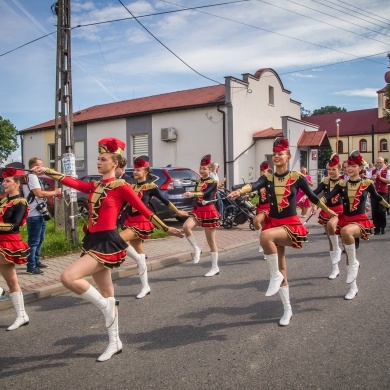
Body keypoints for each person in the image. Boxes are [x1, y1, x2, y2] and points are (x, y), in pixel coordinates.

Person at [33, 137, 183, 362]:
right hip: (92, 239)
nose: (98, 162)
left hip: (107, 241)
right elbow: (71, 182)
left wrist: (166, 227)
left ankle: (105, 308)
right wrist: (47, 169)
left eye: (103, 159)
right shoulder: (95, 185)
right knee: (108, 293)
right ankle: (115, 342)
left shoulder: (122, 186)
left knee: (68, 277)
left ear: (115, 163)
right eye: (98, 158)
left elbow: (144, 209)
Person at [229, 137, 336, 326]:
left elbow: (313, 196)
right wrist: (239, 191)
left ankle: (275, 276)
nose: (276, 156)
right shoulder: (268, 177)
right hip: (274, 223)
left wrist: (328, 211)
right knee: (282, 268)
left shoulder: (296, 178)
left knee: (265, 236)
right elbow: (254, 185)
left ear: (288, 156)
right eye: (275, 154)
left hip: (289, 225)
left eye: (280, 154)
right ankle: (287, 309)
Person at [322, 150, 390, 300]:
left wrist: (388, 205)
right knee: (349, 254)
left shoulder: (367, 183)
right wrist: (315, 203)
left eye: (352, 166)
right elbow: (327, 196)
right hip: (346, 220)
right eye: (347, 166)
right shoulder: (341, 184)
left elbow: (378, 197)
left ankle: (353, 265)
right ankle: (353, 287)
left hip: (361, 221)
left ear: (360, 167)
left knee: (345, 232)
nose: (349, 169)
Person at [120, 156, 188, 298]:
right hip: (130, 220)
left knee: (118, 240)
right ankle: (145, 286)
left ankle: (140, 262)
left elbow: (165, 201)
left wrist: (177, 211)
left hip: (142, 221)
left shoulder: (151, 187)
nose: (135, 172)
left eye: (138, 170)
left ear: (145, 171)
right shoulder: (131, 186)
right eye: (135, 169)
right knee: (139, 252)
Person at [0, 163, 31, 330]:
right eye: (4, 181)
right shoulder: (4, 199)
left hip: (9, 242)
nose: (4, 184)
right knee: (11, 281)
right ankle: (21, 315)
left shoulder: (21, 202)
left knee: (12, 281)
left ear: (17, 183)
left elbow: (15, 225)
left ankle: (21, 315)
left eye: (8, 181)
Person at [22, 157, 62, 275]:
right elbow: (38, 193)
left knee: (40, 239)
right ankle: (31, 265)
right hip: (34, 214)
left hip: (39, 213)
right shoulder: (32, 177)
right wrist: (54, 192)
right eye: (39, 165)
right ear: (33, 166)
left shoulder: (31, 177)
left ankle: (36, 260)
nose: (42, 168)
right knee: (34, 241)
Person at [183, 155, 220, 277]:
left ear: (209, 169)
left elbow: (206, 193)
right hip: (198, 210)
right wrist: (190, 196)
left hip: (209, 211)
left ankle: (215, 267)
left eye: (204, 168)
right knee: (186, 227)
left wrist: (192, 193)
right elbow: (196, 196)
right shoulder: (198, 181)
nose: (202, 171)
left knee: (210, 241)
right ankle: (197, 249)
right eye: (200, 168)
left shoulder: (213, 182)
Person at [311, 155, 344, 279]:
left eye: (333, 169)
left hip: (340, 211)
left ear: (339, 170)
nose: (331, 171)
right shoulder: (325, 181)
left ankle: (348, 259)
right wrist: (311, 200)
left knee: (342, 238)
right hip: (327, 210)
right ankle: (335, 268)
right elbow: (316, 192)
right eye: (329, 169)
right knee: (330, 239)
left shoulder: (343, 182)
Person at [366, 157, 390, 234]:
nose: (379, 164)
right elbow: (368, 181)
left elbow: (388, 181)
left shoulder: (387, 171)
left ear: (383, 163)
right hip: (374, 192)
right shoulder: (373, 171)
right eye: (378, 162)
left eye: (380, 162)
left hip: (383, 192)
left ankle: (383, 227)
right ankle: (377, 228)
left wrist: (380, 177)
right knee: (374, 211)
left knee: (381, 210)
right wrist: (372, 179)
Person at [253, 161, 271, 254]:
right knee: (264, 229)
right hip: (260, 207)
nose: (262, 173)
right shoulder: (260, 181)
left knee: (256, 221)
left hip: (268, 207)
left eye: (264, 171)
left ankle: (262, 243)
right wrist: (248, 195)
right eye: (261, 171)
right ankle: (266, 251)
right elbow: (255, 191)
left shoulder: (270, 180)